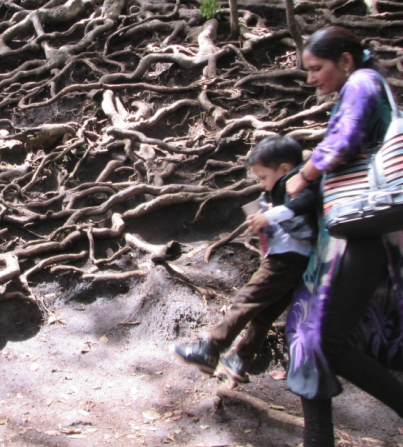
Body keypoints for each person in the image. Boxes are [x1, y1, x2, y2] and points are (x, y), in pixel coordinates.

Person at [284, 26, 403, 447]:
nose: (311, 78)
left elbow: (343, 141)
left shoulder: (363, 83)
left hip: (360, 236)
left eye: (317, 69)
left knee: (327, 341)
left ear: (346, 61)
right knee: (303, 333)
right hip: (339, 239)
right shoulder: (357, 85)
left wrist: (304, 174)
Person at [172, 134, 317, 382]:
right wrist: (264, 223)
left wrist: (269, 217)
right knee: (264, 315)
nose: (261, 184)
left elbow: (306, 202)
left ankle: (211, 349)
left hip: (285, 261)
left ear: (284, 169)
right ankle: (239, 360)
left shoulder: (298, 184)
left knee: (245, 301)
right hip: (296, 263)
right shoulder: (278, 194)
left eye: (263, 177)